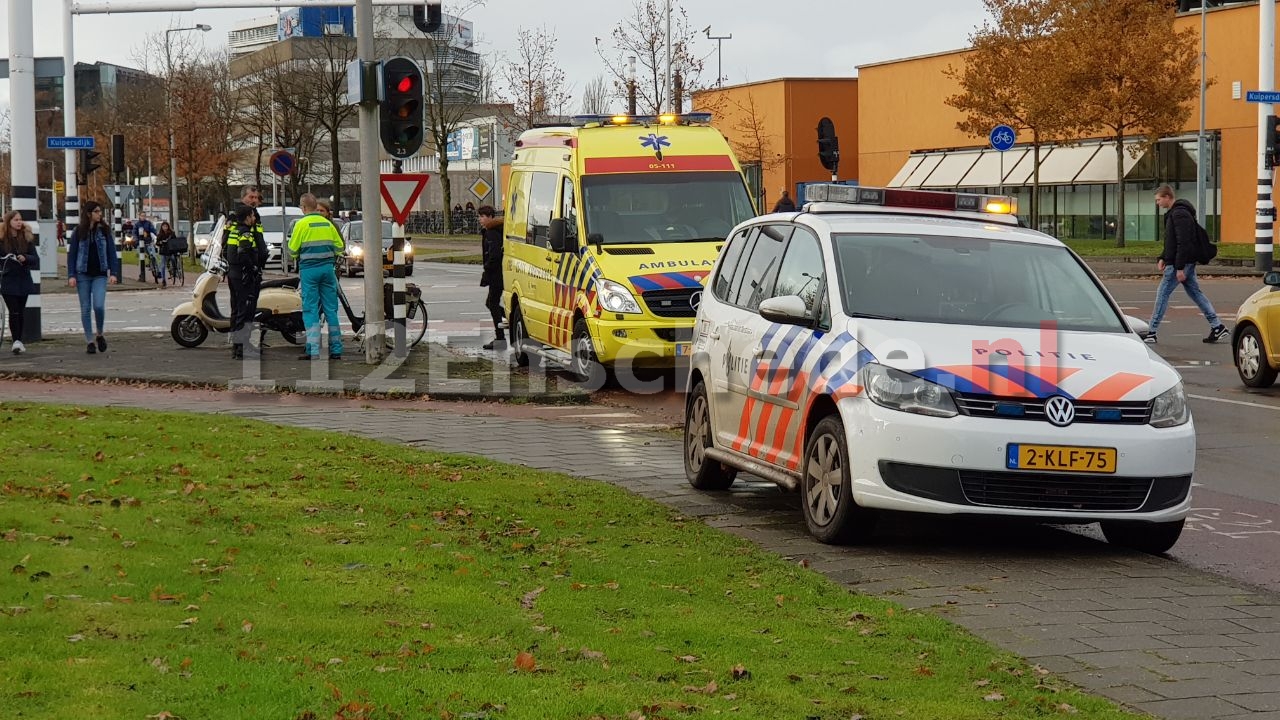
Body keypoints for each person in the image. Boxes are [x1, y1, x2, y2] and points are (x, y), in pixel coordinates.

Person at [1146, 184, 1228, 345]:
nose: (1157, 203)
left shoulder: (1179, 214)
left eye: (1158, 200)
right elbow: (1171, 241)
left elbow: (1184, 242)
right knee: (1195, 293)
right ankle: (1217, 326)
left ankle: (1151, 332)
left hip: (1181, 263)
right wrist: (1162, 257)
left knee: (1162, 294)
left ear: (1167, 197)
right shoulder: (1176, 213)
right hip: (1181, 261)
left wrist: (1179, 267)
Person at [287, 193, 345, 361]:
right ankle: (336, 349)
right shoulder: (327, 224)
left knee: (311, 310)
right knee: (331, 310)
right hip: (328, 270)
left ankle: (313, 350)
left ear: (303, 207)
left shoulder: (301, 224)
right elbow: (339, 247)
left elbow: (292, 250)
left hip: (309, 272)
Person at [67, 201, 120, 355]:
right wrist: (71, 275)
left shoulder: (104, 231)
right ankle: (89, 341)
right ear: (89, 213)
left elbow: (111, 252)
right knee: (85, 308)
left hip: (100, 274)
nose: (100, 214)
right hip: (82, 274)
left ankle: (100, 333)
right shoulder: (78, 232)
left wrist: (114, 273)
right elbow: (72, 255)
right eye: (97, 211)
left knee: (98, 305)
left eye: (100, 211)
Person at [226, 205, 268, 360]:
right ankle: (243, 348)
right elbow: (244, 253)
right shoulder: (245, 232)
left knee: (238, 311)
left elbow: (227, 251)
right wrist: (254, 268)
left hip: (234, 275)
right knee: (246, 312)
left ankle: (238, 347)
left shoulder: (234, 230)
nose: (254, 218)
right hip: (245, 277)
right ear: (247, 217)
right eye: (252, 216)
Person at [0, 211, 40, 355]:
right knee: (14, 310)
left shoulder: (26, 238)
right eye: (16, 220)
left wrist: (26, 258)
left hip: (23, 279)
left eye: (20, 220)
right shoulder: (2, 239)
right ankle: (16, 340)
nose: (19, 222)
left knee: (21, 311)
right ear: (8, 221)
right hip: (8, 279)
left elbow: (35, 258)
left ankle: (19, 340)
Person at [477, 205, 506, 350]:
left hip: (496, 274)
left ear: (490, 217)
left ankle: (500, 338)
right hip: (498, 273)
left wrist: (487, 269)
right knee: (491, 303)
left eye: (483, 216)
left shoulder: (492, 233)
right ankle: (505, 325)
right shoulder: (493, 230)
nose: (480, 219)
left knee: (492, 303)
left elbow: (494, 254)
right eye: (480, 216)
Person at [134, 212, 158, 282]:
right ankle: (141, 274)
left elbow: (153, 230)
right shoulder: (137, 224)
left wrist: (157, 235)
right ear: (139, 216)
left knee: (154, 255)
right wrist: (136, 240)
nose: (143, 217)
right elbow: (134, 233)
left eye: (144, 216)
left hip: (148, 242)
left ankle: (157, 270)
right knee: (141, 258)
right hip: (140, 243)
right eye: (142, 216)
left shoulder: (148, 223)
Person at [155, 221, 177, 288]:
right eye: (163, 226)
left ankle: (174, 270)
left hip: (170, 251)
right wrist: (161, 242)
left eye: (166, 226)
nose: (165, 228)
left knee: (173, 258)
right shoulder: (160, 235)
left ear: (168, 227)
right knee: (163, 265)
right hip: (163, 251)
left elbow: (175, 241)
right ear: (162, 227)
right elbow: (157, 243)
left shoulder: (171, 234)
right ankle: (163, 279)